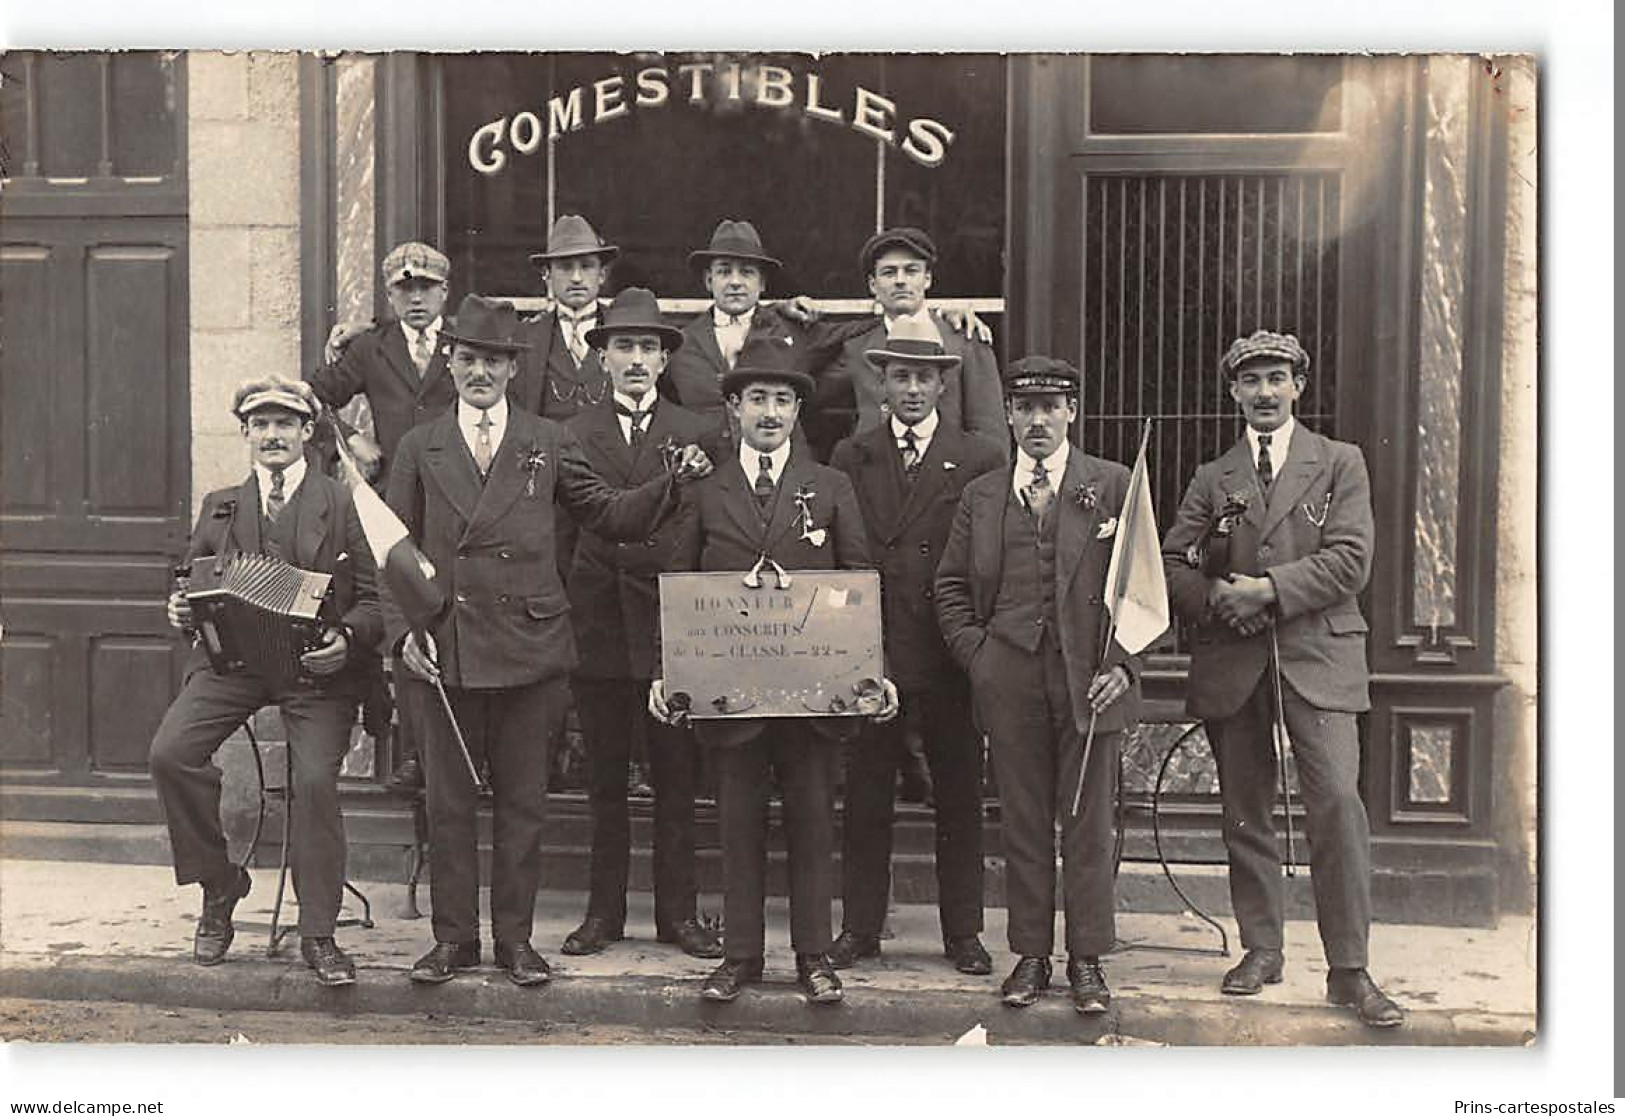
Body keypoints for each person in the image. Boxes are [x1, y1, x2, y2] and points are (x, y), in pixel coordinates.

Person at [385, 294, 710, 988]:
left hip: (530, 647)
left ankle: (514, 941)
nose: (480, 372)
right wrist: (402, 634)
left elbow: (610, 516)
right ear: (450, 362)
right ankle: (454, 940)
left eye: (494, 361)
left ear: (511, 368)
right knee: (447, 804)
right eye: (468, 358)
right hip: (447, 648)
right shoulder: (419, 444)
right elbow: (390, 549)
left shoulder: (546, 439)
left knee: (524, 804)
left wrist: (668, 485)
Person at [1160, 330, 1403, 1028]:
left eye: (1276, 378)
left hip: (1319, 658)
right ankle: (1260, 948)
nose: (1264, 392)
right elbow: (1174, 562)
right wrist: (1216, 600)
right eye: (1250, 381)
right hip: (1233, 662)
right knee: (1245, 810)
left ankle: (1349, 969)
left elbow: (1350, 561)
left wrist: (1265, 590)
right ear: (1232, 392)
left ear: (1298, 385)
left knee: (1335, 808)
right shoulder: (1214, 475)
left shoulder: (1338, 463)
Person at [649, 336, 898, 1006]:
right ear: (732, 408)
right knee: (735, 823)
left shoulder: (829, 487)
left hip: (812, 695)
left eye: (782, 399)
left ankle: (813, 956)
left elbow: (860, 580)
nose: (769, 411)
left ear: (796, 412)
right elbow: (678, 583)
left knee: (814, 821)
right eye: (756, 397)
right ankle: (740, 956)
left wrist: (874, 671)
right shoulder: (706, 492)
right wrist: (667, 672)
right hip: (733, 696)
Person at [149, 377, 382, 988]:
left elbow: (378, 604)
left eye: (285, 423)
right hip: (235, 668)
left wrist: (346, 640)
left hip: (316, 674)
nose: (272, 435)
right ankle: (220, 885)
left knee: (313, 781)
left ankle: (319, 932)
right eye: (261, 425)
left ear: (308, 432)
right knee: (171, 753)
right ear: (247, 434)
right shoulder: (221, 505)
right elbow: (191, 586)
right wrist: (180, 612)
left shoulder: (344, 501)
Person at [934, 356, 1142, 1015]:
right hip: (1010, 677)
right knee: (1022, 821)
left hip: (1089, 679)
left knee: (1086, 823)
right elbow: (949, 588)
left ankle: (1086, 959)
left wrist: (1123, 667)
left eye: (1051, 406)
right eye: (1025, 408)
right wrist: (982, 658)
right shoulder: (983, 494)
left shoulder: (1111, 485)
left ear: (1072, 413)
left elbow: (1145, 590)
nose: (1037, 420)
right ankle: (1030, 954)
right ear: (1009, 416)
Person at [826, 317, 1005, 976]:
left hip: (949, 650)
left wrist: (975, 643)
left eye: (923, 377)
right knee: (866, 793)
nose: (911, 388)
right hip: (872, 649)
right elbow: (845, 553)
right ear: (881, 382)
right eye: (899, 375)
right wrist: (857, 645)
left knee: (957, 793)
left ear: (942, 384)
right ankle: (860, 929)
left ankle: (962, 931)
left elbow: (988, 558)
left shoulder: (979, 456)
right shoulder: (854, 455)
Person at [559, 287, 723, 961]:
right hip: (598, 623)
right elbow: (592, 515)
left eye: (646, 348)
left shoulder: (697, 433)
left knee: (675, 781)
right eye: (621, 346)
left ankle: (678, 916)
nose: (634, 359)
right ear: (602, 359)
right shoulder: (572, 433)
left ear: (662, 361)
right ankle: (603, 915)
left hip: (670, 628)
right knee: (603, 782)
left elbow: (703, 533)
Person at [306, 240, 459, 792]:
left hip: (456, 500)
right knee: (405, 622)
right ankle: (418, 754)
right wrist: (349, 440)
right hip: (395, 507)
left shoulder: (464, 343)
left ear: (445, 291)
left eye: (426, 288)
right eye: (404, 288)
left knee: (454, 620)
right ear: (390, 295)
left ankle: (467, 754)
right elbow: (310, 399)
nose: (415, 299)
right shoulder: (372, 348)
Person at [807, 227, 1006, 460]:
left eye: (911, 271)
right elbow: (806, 392)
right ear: (873, 285)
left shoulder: (965, 339)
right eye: (889, 273)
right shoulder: (857, 346)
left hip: (948, 481)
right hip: (875, 478)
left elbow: (991, 437)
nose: (900, 281)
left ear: (927, 279)